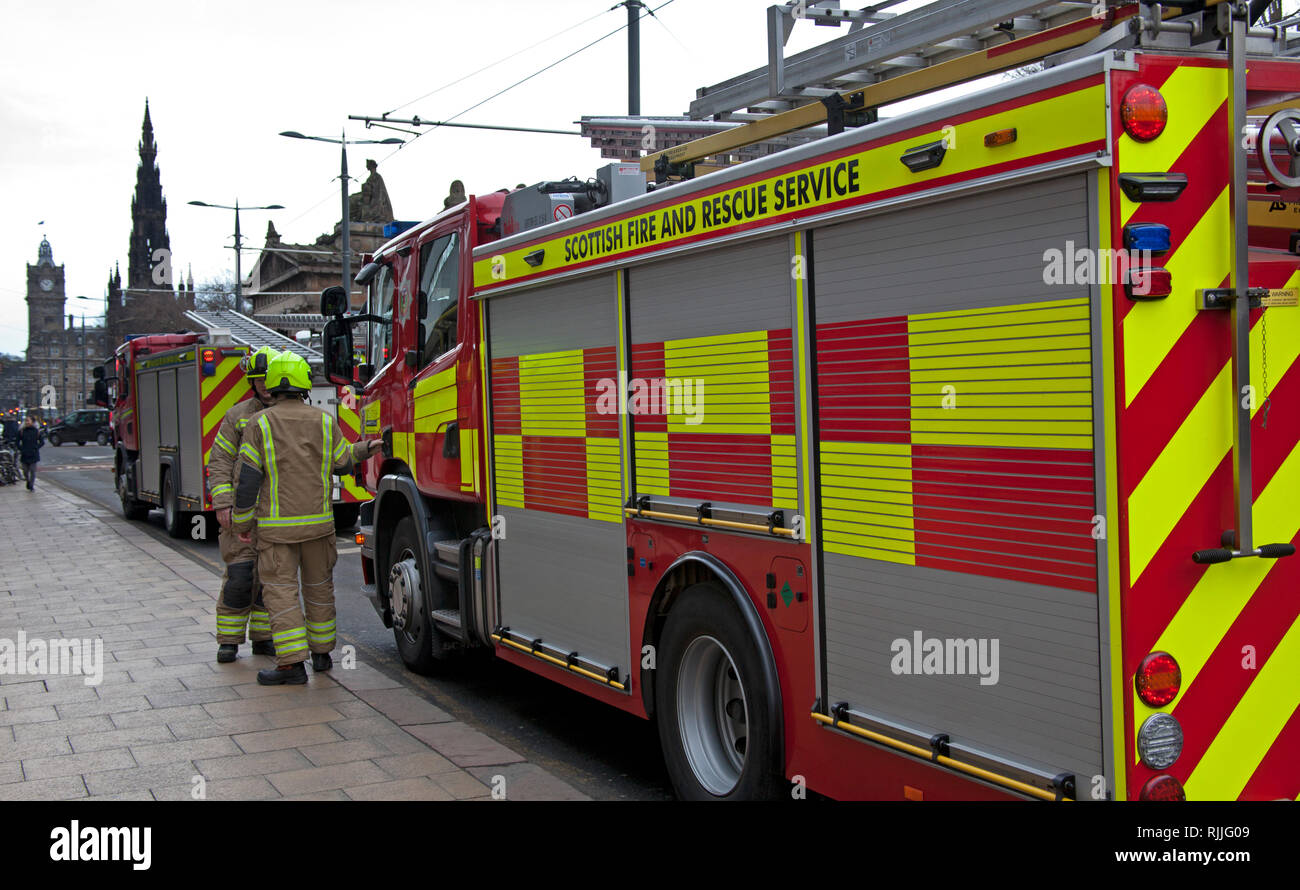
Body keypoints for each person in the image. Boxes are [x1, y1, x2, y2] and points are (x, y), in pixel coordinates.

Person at [232, 351, 382, 685]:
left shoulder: (259, 424)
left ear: (272, 385)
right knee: (319, 589)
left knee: (281, 593)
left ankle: (291, 665)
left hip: (275, 532)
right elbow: (343, 461)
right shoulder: (324, 421)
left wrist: (242, 524)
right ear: (303, 384)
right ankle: (321, 655)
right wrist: (369, 446)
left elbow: (247, 482)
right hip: (318, 527)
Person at [207, 346, 279, 664]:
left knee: (269, 580)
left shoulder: (286, 413)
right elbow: (220, 462)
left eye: (268, 378)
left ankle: (263, 640)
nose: (263, 384)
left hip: (275, 515)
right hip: (241, 515)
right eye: (258, 379)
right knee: (239, 578)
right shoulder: (237, 416)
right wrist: (223, 503)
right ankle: (229, 641)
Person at [19, 416, 42, 490]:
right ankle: (28, 481)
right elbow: (17, 442)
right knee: (25, 471)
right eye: (26, 421)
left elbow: (42, 442)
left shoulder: (36, 431)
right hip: (24, 454)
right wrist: (21, 449)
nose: (27, 422)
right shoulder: (22, 431)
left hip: (33, 454)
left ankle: (31, 485)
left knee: (32, 470)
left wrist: (36, 447)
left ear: (32, 422)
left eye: (28, 421)